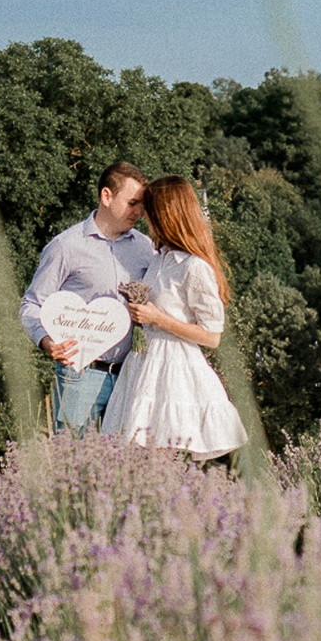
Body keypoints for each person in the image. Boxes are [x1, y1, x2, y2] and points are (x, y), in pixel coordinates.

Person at [101, 174, 248, 459]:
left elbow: (212, 336)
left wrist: (158, 318)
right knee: (135, 456)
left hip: (173, 370)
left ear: (166, 215)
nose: (144, 217)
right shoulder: (159, 259)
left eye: (149, 212)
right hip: (143, 363)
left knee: (165, 454)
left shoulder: (195, 267)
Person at [20, 161, 155, 431]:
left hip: (130, 374)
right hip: (80, 376)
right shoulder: (66, 246)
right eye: (132, 203)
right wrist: (47, 342)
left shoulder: (145, 248)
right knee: (71, 454)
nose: (139, 212)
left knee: (125, 455)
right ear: (106, 196)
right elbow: (31, 305)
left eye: (142, 205)